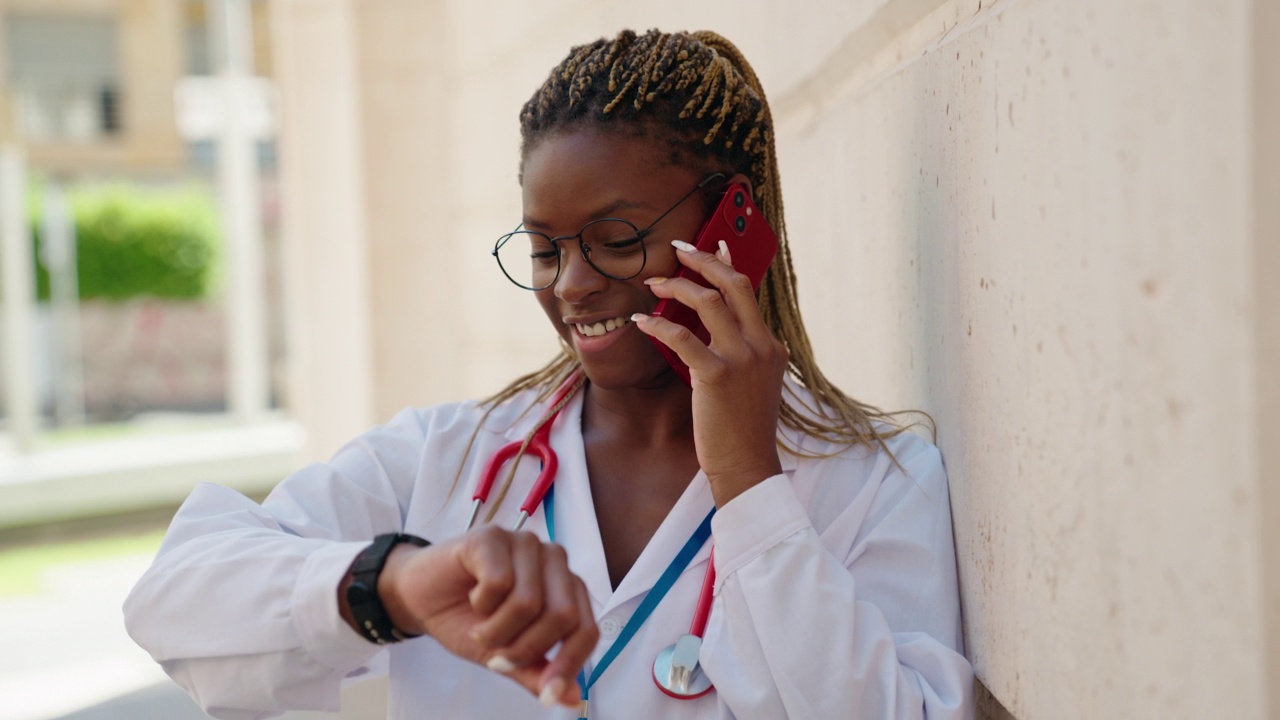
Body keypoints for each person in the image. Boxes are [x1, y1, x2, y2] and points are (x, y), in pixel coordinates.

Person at [125, 28, 974, 719]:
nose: (570, 285)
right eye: (543, 249)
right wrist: (398, 585)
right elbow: (176, 597)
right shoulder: (448, 461)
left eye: (616, 241)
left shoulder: (873, 482)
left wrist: (753, 487)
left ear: (733, 223)